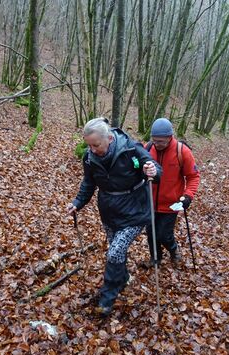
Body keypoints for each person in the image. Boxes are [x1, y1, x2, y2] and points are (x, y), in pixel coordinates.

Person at [67, 117, 162, 316]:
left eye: (96, 144)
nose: (92, 149)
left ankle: (107, 298)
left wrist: (152, 170)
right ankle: (124, 276)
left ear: (109, 138)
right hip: (109, 212)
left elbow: (152, 166)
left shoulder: (130, 150)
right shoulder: (89, 158)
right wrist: (77, 203)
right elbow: (88, 184)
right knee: (117, 252)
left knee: (114, 253)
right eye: (89, 145)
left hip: (135, 212)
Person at [143, 118, 200, 267]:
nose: (157, 144)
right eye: (154, 140)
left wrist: (188, 196)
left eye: (161, 141)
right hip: (150, 202)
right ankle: (156, 258)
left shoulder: (182, 151)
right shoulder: (148, 149)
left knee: (163, 234)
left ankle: (174, 250)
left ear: (170, 137)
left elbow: (193, 176)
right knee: (151, 233)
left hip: (172, 204)